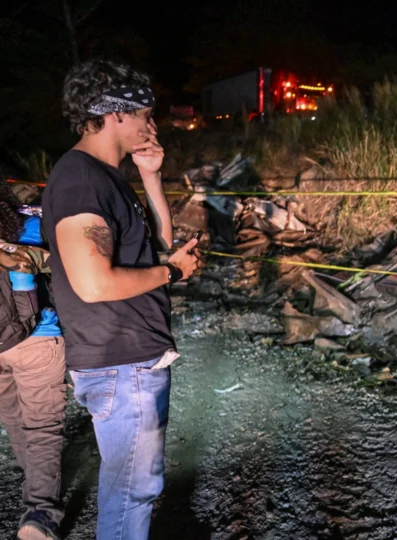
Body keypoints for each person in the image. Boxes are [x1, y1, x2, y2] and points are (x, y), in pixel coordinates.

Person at [40, 59, 200, 539]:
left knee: (135, 486)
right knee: (133, 491)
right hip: (120, 362)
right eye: (145, 115)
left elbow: (160, 245)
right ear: (115, 115)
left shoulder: (106, 176)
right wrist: (170, 271)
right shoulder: (80, 179)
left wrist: (151, 176)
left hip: (134, 358)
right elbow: (93, 283)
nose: (152, 126)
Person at [0, 182, 66, 540]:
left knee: (14, 419)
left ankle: (36, 483)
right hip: (36, 338)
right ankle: (40, 510)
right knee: (42, 427)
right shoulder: (28, 224)